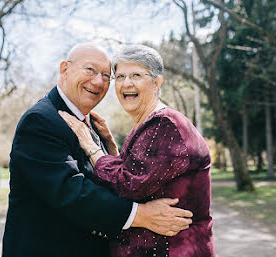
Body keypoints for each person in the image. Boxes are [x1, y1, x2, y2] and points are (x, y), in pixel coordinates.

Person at [2, 43, 193, 257]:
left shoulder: (90, 123)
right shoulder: (40, 120)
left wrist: (111, 150)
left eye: (106, 75)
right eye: (90, 70)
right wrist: (142, 215)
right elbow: (71, 191)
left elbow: (108, 184)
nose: (99, 81)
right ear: (64, 69)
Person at [60, 44, 215, 257]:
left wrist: (91, 147)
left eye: (136, 75)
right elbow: (139, 175)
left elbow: (125, 186)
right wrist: (112, 148)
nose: (127, 83)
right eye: (120, 76)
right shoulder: (148, 126)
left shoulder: (165, 125)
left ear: (156, 82)